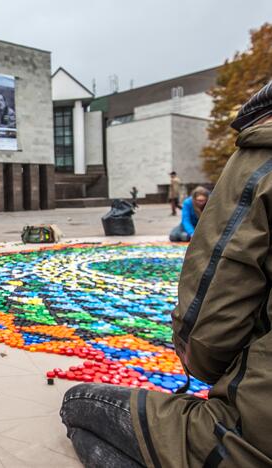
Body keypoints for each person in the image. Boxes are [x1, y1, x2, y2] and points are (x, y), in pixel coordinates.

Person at [60, 81, 272, 467]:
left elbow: (211, 318)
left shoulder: (260, 160)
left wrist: (196, 360)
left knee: (78, 404)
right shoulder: (193, 202)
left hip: (256, 436)